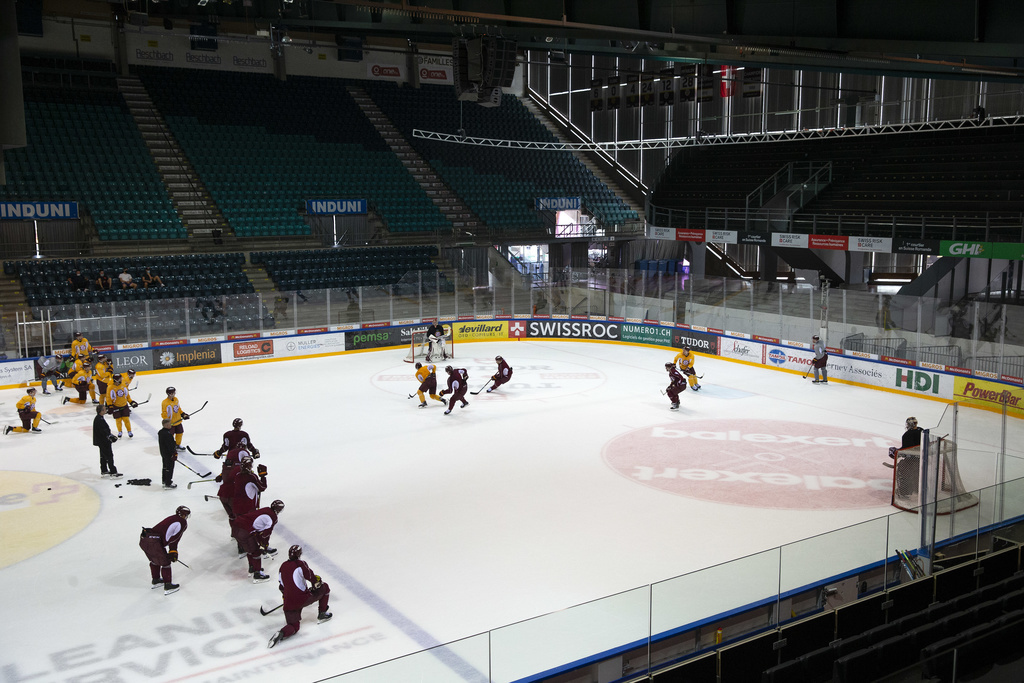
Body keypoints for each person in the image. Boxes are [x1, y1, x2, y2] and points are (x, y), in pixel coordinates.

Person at [268, 545, 332, 648]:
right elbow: (312, 577)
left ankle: (282, 633)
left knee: (294, 626)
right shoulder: (300, 564)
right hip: (303, 598)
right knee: (325, 588)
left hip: (288, 602)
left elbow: (281, 586)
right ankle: (322, 614)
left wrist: (287, 597)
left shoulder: (283, 566)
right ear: (299, 554)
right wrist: (317, 582)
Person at [139, 505, 190, 595]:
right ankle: (168, 586)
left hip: (144, 539)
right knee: (166, 563)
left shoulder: (172, 517)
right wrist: (173, 551)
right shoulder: (182, 522)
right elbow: (175, 539)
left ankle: (156, 580)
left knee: (154, 560)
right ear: (184, 515)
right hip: (154, 543)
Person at [231, 500, 285, 583]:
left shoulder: (266, 509)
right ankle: (258, 574)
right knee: (256, 552)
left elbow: (259, 531)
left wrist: (263, 544)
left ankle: (252, 567)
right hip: (244, 532)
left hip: (235, 527)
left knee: (250, 549)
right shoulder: (272, 518)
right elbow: (265, 535)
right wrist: (264, 546)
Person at [231, 455, 268, 519]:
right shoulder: (251, 477)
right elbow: (262, 487)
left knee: (239, 526)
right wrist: (263, 476)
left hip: (237, 507)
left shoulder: (238, 475)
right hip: (248, 508)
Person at [94, 404, 122, 478]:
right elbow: (103, 431)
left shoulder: (99, 418)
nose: (106, 410)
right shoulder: (99, 419)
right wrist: (109, 436)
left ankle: (104, 470)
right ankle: (113, 472)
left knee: (103, 456)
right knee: (109, 456)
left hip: (101, 441)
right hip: (103, 441)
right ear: (101, 411)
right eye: (104, 409)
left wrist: (110, 435)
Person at [106, 372, 137, 438]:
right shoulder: (110, 387)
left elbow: (127, 395)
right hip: (116, 406)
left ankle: (129, 431)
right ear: (116, 380)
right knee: (118, 420)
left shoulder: (123, 385)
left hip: (124, 405)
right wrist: (110, 406)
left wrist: (131, 402)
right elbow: (108, 398)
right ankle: (120, 431)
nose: (121, 379)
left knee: (126, 419)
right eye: (120, 378)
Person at [161, 387, 190, 452]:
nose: (174, 394)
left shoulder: (176, 399)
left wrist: (183, 414)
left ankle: (177, 445)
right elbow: (164, 413)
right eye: (173, 393)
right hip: (171, 423)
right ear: (169, 394)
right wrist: (167, 422)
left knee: (180, 433)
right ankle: (171, 447)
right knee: (170, 436)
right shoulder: (165, 402)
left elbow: (178, 409)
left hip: (178, 421)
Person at [159, 419, 179, 490]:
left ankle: (164, 480)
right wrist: (173, 454)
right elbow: (170, 446)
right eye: (170, 424)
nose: (171, 425)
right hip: (168, 455)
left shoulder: (161, 432)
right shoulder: (167, 434)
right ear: (167, 425)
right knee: (169, 468)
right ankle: (168, 483)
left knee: (165, 467)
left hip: (163, 454)